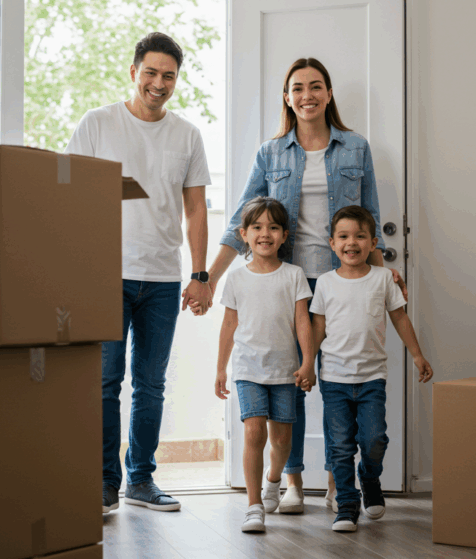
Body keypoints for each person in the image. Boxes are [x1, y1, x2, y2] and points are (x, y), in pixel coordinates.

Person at [194, 57, 405, 513]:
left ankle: (336, 482)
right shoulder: (271, 153)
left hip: (340, 279)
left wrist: (380, 267)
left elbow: (368, 215)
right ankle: (292, 481)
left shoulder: (356, 147)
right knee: (292, 379)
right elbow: (241, 221)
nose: (306, 95)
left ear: (328, 93)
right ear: (286, 97)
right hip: (286, 280)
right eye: (297, 88)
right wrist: (207, 278)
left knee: (335, 380)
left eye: (315, 86)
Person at [65, 32, 213, 514]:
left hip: (164, 278)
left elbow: (196, 210)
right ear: (133, 72)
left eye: (168, 75)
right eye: (150, 72)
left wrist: (201, 275)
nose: (158, 83)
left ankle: (141, 479)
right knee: (106, 381)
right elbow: (70, 193)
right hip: (107, 274)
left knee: (151, 385)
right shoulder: (97, 124)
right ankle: (104, 482)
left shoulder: (187, 135)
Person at [310, 205, 433, 532]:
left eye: (360, 236)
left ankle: (370, 479)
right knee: (339, 445)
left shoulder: (383, 279)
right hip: (333, 378)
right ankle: (347, 505)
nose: (352, 243)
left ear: (373, 242)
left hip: (371, 379)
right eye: (344, 236)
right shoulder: (324, 283)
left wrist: (417, 355)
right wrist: (306, 364)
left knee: (374, 438)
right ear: (332, 244)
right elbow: (318, 327)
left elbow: (399, 317)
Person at [213, 197, 315, 533]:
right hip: (248, 370)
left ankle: (275, 480)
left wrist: (308, 362)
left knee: (282, 439)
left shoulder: (294, 275)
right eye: (257, 227)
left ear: (285, 235)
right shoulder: (237, 280)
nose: (265, 233)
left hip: (285, 370)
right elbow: (229, 326)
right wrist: (220, 368)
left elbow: (303, 321)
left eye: (273, 227)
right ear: (243, 233)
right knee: (254, 432)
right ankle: (254, 505)